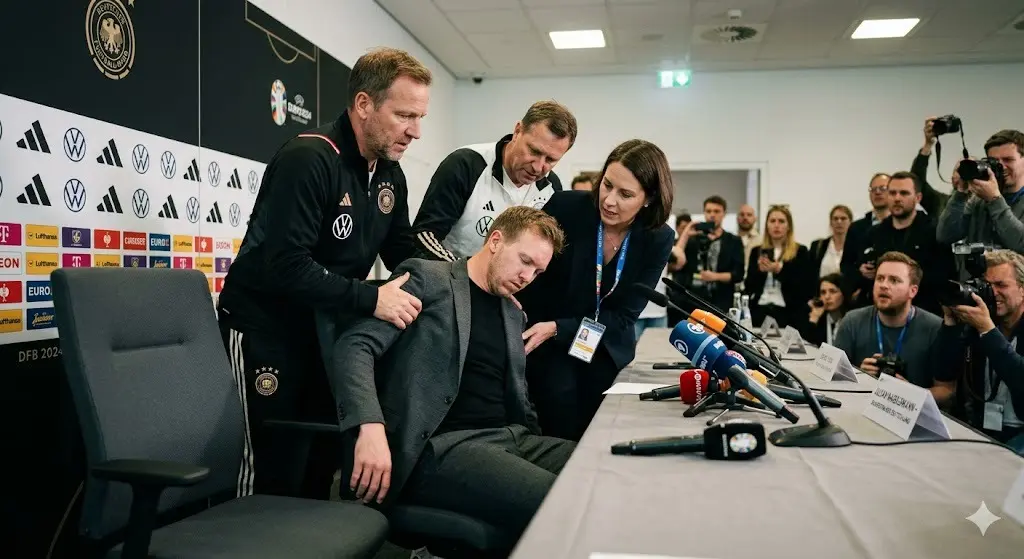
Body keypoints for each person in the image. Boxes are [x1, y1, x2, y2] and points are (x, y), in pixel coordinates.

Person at [215, 47, 431, 499]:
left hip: (324, 330)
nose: (415, 131)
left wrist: (467, 281)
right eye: (404, 115)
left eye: (419, 117)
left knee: (316, 465)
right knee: (265, 468)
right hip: (264, 328)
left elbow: (403, 251)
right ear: (364, 104)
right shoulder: (309, 157)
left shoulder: (390, 174)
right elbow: (286, 266)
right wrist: (373, 298)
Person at [325, 206, 576, 548]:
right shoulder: (428, 278)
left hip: (511, 438)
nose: (527, 277)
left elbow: (519, 394)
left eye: (537, 271)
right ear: (495, 241)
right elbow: (356, 346)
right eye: (524, 261)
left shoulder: (512, 313)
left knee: (599, 470)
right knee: (560, 502)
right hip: (444, 446)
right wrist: (369, 426)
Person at [516, 139, 675, 441]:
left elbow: (625, 316)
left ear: (649, 198)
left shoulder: (658, 237)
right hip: (547, 341)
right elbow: (529, 275)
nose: (609, 201)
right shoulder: (565, 208)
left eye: (625, 194)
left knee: (602, 426)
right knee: (558, 415)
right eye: (607, 185)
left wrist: (561, 328)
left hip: (604, 345)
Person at [410, 100, 575, 261]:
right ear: (517, 131)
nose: (538, 167)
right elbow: (424, 235)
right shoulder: (465, 165)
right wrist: (462, 274)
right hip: (452, 273)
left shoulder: (551, 188)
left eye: (550, 160)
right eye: (534, 151)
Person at [931, 250, 1024, 453]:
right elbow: (944, 373)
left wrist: (987, 330)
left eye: (1001, 285)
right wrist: (951, 323)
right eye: (987, 285)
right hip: (982, 428)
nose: (992, 293)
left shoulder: (984, 326)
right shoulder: (978, 324)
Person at [833, 252, 946, 389]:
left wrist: (910, 393)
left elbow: (946, 391)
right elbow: (833, 381)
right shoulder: (852, 322)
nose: (884, 285)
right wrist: (858, 376)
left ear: (913, 291)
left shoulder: (935, 328)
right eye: (880, 278)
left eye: (894, 280)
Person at [856, 172, 954, 315]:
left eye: (904, 193)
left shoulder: (934, 232)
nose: (897, 198)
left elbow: (944, 275)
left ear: (918, 197)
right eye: (892, 193)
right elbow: (859, 267)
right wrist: (864, 271)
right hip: (882, 312)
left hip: (924, 311)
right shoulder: (874, 233)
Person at [937, 130, 1024, 280]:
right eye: (994, 161)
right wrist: (960, 193)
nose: (1001, 167)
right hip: (977, 284)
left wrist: (995, 200)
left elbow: (1020, 244)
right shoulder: (978, 200)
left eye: (1008, 160)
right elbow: (945, 236)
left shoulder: (989, 199)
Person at [743, 205, 814, 328]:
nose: (776, 225)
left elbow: (804, 288)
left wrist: (780, 271)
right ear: (767, 225)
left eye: (781, 221)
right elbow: (749, 286)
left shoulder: (800, 251)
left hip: (788, 311)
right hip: (760, 308)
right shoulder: (757, 251)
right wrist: (759, 271)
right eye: (772, 221)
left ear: (788, 226)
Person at [674, 195, 746, 314]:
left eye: (717, 211)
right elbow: (676, 260)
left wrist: (715, 276)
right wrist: (686, 233)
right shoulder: (693, 240)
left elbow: (738, 274)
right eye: (708, 211)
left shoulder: (733, 241)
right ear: (704, 213)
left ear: (724, 214)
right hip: (693, 302)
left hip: (722, 301)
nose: (712, 215)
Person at [840, 172, 891, 307]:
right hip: (864, 297)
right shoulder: (857, 228)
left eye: (883, 188)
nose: (877, 192)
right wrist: (860, 272)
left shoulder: (900, 225)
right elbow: (846, 265)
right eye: (873, 189)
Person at [798, 273, 848, 347]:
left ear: (843, 294)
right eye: (823, 292)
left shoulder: (852, 319)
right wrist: (814, 318)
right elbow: (806, 345)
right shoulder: (820, 317)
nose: (827, 297)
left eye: (832, 291)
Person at [809, 205, 852, 278]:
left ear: (850, 222)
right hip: (822, 284)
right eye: (835, 219)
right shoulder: (818, 246)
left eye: (843, 218)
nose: (839, 222)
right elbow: (810, 273)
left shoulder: (856, 247)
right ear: (831, 222)